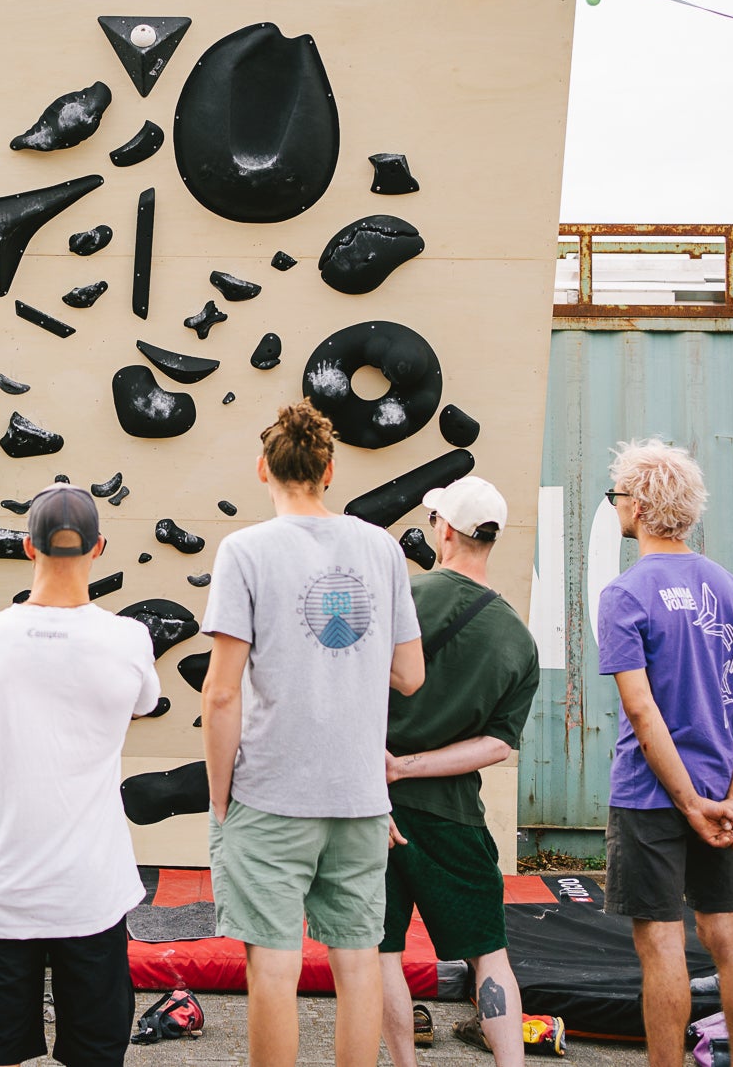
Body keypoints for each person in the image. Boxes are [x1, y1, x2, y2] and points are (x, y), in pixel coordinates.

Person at [201, 400, 425, 1067]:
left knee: (273, 967)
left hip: (273, 792)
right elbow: (410, 673)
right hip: (359, 798)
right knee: (358, 964)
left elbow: (220, 690)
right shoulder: (381, 548)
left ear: (262, 468)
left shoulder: (245, 550)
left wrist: (220, 797)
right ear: (329, 469)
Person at [0, 484, 160, 1067]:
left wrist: (6, 767)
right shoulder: (129, 639)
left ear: (28, 547)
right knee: (97, 1055)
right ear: (99, 548)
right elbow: (145, 703)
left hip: (5, 893)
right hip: (93, 892)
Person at [595, 439, 733, 1067]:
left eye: (618, 495)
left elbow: (643, 713)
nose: (616, 505)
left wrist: (691, 803)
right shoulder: (732, 589)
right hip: (723, 795)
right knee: (727, 933)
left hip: (652, 795)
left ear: (641, 506)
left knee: (663, 944)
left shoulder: (625, 593)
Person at [376, 476, 542, 1067]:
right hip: (455, 817)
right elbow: (498, 745)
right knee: (488, 955)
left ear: (444, 529)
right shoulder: (518, 640)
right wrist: (412, 768)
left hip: (377, 814)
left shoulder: (402, 600)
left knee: (381, 953)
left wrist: (389, 769)